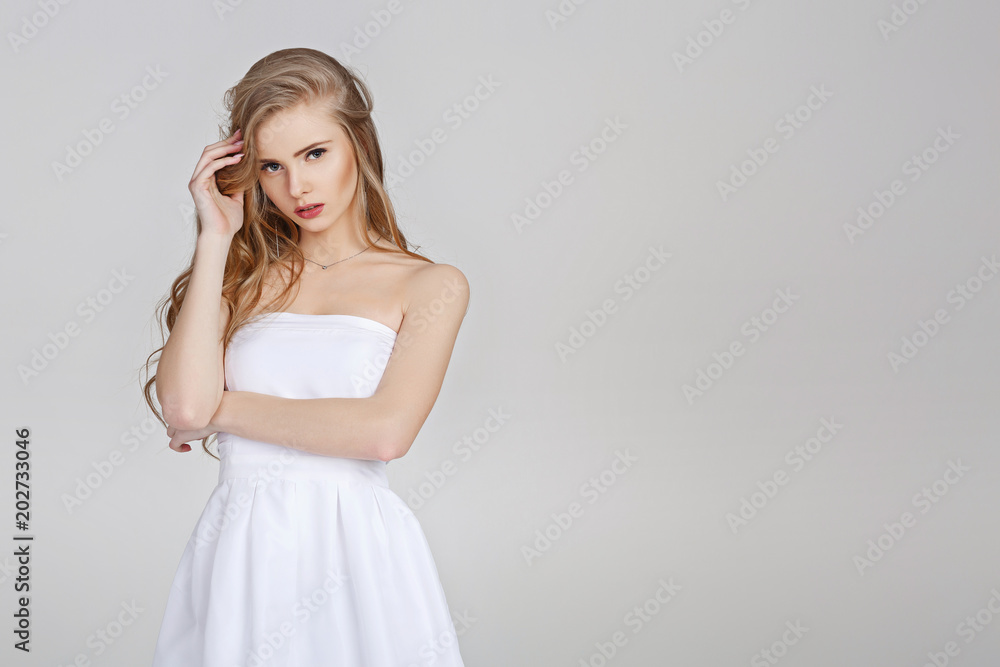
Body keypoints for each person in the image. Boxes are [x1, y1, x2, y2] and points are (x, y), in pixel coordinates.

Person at [142, 47, 469, 666]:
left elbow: (384, 434)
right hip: (241, 550)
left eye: (315, 153)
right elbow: (184, 407)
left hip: (356, 553)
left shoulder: (430, 285)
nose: (297, 187)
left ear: (358, 146)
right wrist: (215, 236)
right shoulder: (239, 281)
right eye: (272, 166)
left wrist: (222, 409)